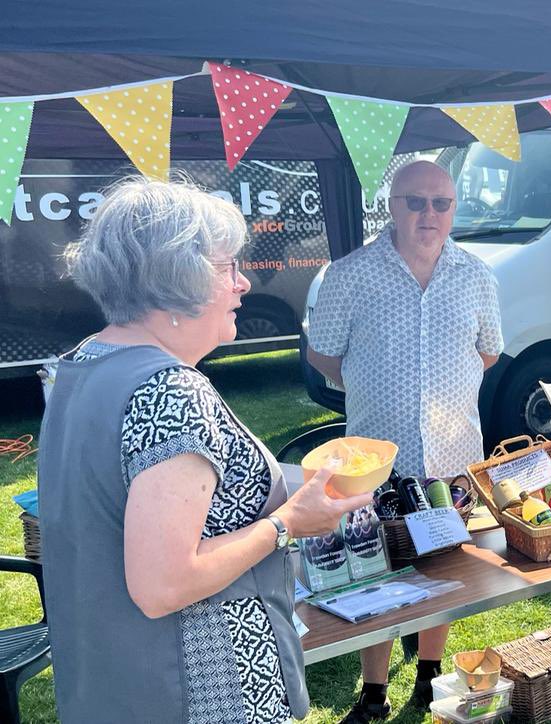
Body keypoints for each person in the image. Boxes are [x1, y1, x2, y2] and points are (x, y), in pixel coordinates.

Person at [37, 178, 373, 723]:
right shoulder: (169, 390)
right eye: (227, 267)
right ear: (177, 276)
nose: (243, 283)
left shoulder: (85, 362)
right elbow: (163, 584)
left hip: (112, 674)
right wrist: (288, 522)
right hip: (202, 689)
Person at [307, 160, 503, 723]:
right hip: (372, 458)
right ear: (391, 207)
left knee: (442, 563)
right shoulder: (350, 274)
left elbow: (488, 351)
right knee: (377, 565)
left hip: (451, 454)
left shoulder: (476, 275)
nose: (429, 214)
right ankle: (373, 691)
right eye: (415, 201)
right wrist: (372, 385)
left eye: (441, 203)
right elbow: (323, 354)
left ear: (454, 209)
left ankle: (428, 675)